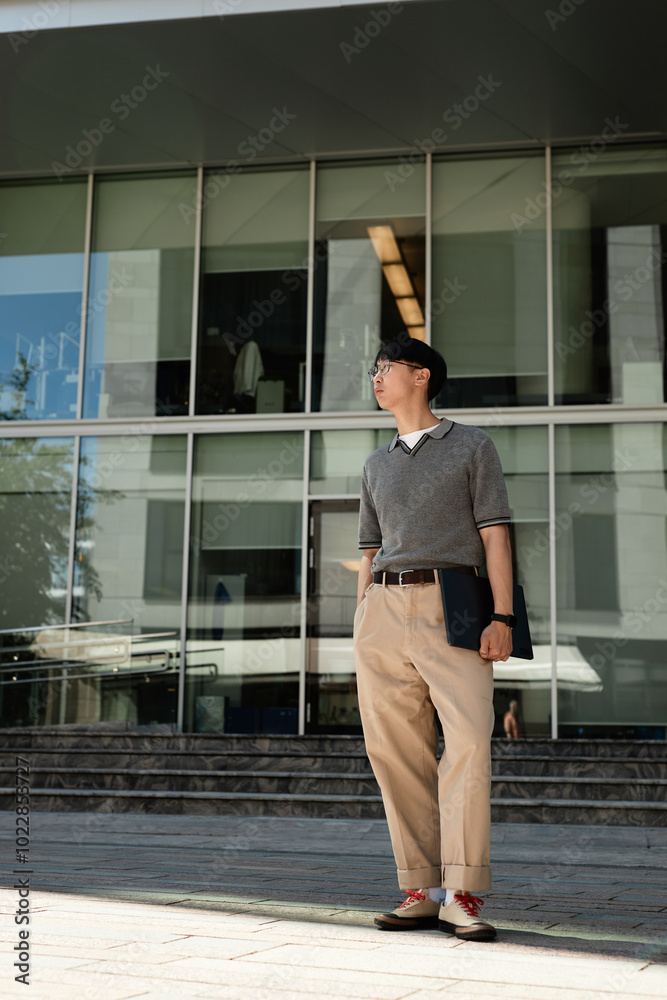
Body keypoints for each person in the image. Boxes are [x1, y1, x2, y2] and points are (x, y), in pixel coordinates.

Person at [353, 336, 515, 942]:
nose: (375, 377)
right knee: (394, 751)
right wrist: (362, 615)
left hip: (456, 603)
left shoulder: (472, 444)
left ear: (420, 376)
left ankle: (464, 892)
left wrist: (504, 618)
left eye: (384, 368)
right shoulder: (376, 463)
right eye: (374, 370)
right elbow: (369, 550)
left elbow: (495, 534)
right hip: (384, 609)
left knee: (469, 744)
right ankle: (421, 887)